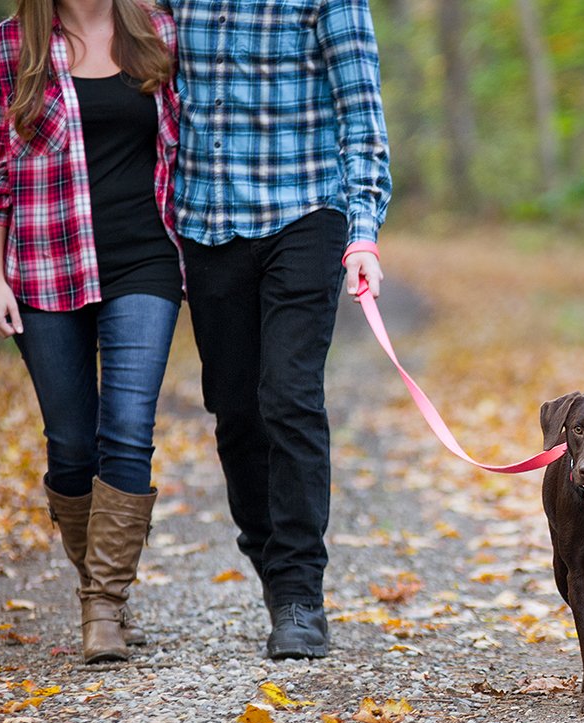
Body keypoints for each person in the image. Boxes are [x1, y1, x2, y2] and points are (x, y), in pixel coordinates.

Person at [157, 0, 391, 659]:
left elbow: (361, 112)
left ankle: (298, 594)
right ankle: (269, 561)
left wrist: (364, 234)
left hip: (306, 210)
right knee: (235, 411)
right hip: (208, 220)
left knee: (289, 395)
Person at [0, 0, 182, 664]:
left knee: (128, 427)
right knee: (69, 445)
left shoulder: (157, 32)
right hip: (43, 265)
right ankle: (101, 587)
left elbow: (191, 145)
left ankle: (105, 606)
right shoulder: (11, 46)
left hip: (145, 262)